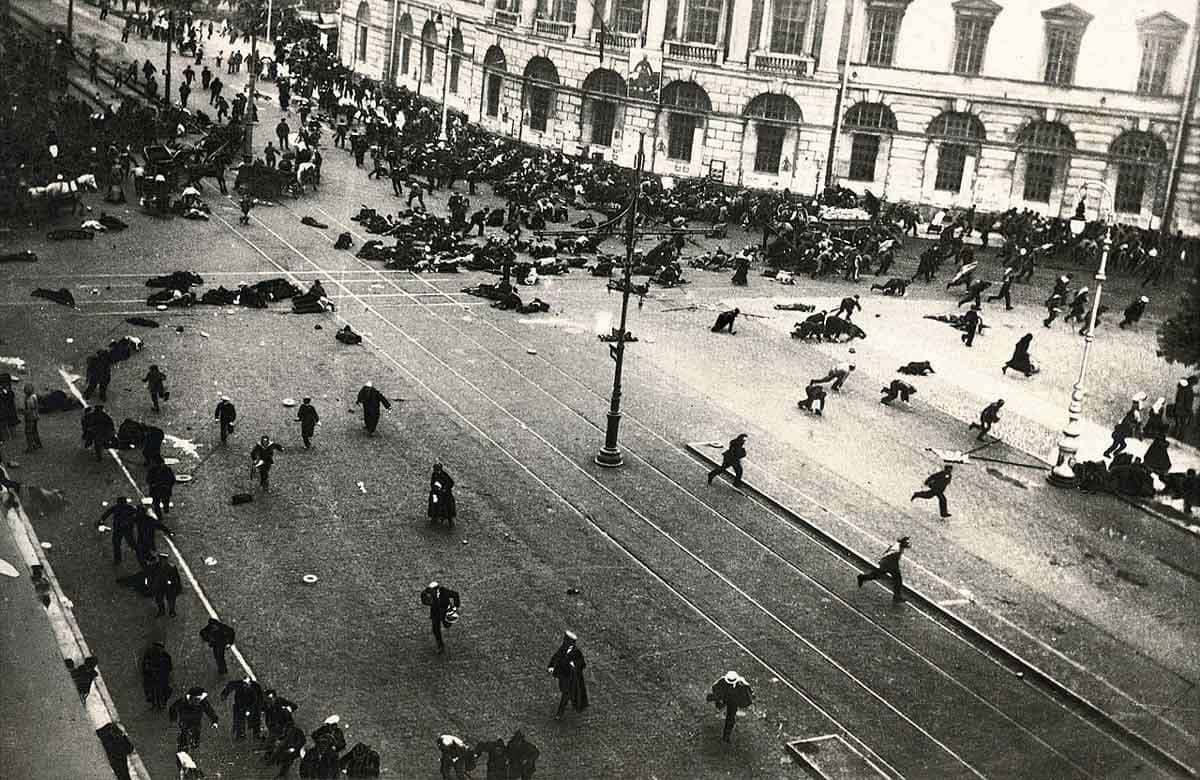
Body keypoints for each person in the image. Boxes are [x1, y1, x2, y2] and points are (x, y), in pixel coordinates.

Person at [547, 631, 589, 719]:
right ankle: (573, 700)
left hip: (571, 678)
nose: (564, 641)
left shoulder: (576, 652)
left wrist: (573, 664)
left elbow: (582, 664)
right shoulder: (563, 648)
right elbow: (556, 656)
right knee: (565, 691)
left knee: (565, 694)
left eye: (566, 640)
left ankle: (559, 713)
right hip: (563, 675)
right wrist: (551, 666)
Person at [857, 536, 911, 603]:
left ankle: (862, 577)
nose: (907, 544)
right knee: (897, 580)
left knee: (877, 576)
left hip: (889, 564)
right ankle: (896, 597)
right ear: (903, 543)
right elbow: (890, 556)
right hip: (888, 565)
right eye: (906, 542)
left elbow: (887, 552)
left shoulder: (897, 546)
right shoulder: (897, 550)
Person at [707, 671, 753, 743]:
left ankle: (726, 736)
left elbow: (748, 689)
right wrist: (719, 698)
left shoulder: (741, 683)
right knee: (720, 705)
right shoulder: (722, 681)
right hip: (726, 697)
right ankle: (719, 705)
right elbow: (715, 687)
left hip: (733, 701)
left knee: (730, 718)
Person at [420, 581, 461, 654]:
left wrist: (455, 606)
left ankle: (448, 623)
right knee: (435, 629)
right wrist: (427, 602)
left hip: (445, 612)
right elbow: (423, 595)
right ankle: (440, 645)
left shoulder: (444, 592)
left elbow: (455, 594)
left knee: (447, 625)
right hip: (435, 613)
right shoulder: (429, 592)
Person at [220, 676, 264, 740]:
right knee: (239, 719)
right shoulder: (240, 684)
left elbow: (259, 697)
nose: (245, 684)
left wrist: (260, 707)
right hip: (240, 704)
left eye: (247, 683)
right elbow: (230, 685)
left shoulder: (256, 686)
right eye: (244, 683)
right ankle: (241, 734)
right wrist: (224, 694)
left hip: (252, 705)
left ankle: (256, 734)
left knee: (255, 719)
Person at [99, 496, 140, 564]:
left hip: (118, 528)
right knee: (131, 543)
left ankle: (117, 560)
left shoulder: (116, 507)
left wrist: (101, 520)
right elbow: (137, 515)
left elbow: (106, 513)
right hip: (127, 528)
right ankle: (143, 554)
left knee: (117, 544)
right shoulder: (130, 508)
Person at [140, 641, 173, 710]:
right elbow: (145, 667)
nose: (158, 649)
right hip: (152, 677)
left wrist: (167, 675)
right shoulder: (148, 655)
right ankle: (155, 705)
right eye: (156, 647)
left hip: (162, 677)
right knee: (153, 691)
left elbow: (169, 667)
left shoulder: (165, 656)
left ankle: (162, 704)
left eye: (159, 647)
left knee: (164, 691)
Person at [148, 552, 183, 617]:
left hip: (169, 586)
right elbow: (151, 576)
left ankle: (171, 611)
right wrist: (150, 585)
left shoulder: (172, 567)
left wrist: (178, 586)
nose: (163, 561)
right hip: (159, 585)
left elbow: (176, 578)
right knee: (159, 599)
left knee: (171, 599)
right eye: (161, 559)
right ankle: (161, 611)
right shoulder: (154, 566)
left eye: (164, 559)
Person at [22, 385, 41, 452]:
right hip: (35, 416)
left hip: (30, 418)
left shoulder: (29, 400)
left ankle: (30, 447)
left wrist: (23, 412)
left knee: (28, 432)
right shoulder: (34, 396)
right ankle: (38, 443)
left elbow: (29, 410)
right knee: (35, 430)